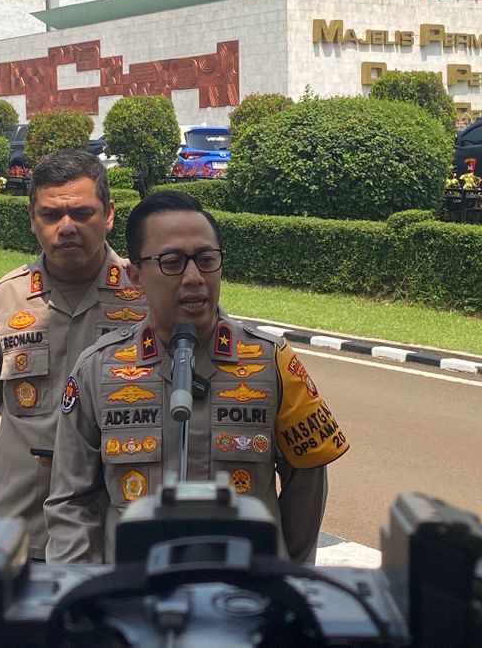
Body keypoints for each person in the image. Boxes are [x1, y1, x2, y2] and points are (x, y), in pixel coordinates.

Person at [44, 191, 347, 563]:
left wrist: (280, 574)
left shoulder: (272, 361)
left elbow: (308, 481)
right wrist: (88, 587)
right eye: (172, 262)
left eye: (206, 260)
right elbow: (70, 501)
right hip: (137, 589)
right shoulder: (97, 369)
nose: (194, 277)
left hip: (242, 588)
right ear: (135, 276)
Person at [0, 150, 144, 560]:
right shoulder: (5, 301)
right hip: (25, 528)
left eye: (82, 213)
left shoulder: (145, 299)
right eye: (50, 215)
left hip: (117, 529)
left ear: (109, 214)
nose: (66, 227)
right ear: (32, 218)